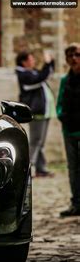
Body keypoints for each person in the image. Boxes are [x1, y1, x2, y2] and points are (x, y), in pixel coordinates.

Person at [15, 50, 55, 177]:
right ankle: (29, 169)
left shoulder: (30, 72)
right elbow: (40, 78)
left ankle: (40, 168)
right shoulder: (24, 75)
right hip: (36, 111)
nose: (33, 61)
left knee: (40, 142)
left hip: (44, 111)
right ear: (24, 62)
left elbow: (46, 74)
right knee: (35, 141)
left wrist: (51, 62)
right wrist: (47, 63)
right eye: (31, 59)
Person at [57, 43, 80, 217]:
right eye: (70, 55)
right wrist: (62, 117)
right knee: (73, 168)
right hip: (70, 130)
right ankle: (76, 203)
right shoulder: (65, 80)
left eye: (77, 55)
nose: (74, 58)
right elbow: (59, 104)